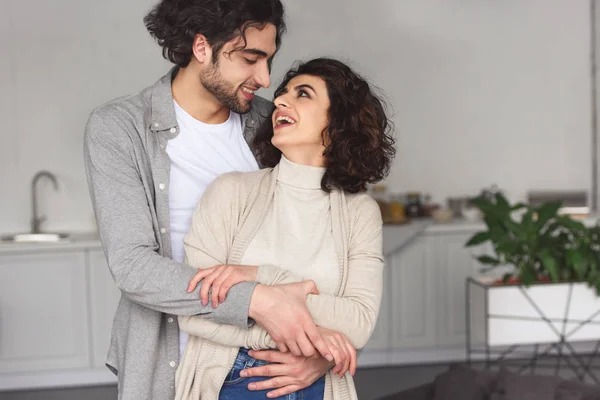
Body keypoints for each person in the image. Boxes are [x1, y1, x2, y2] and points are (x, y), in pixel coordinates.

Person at [83, 1, 338, 399]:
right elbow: (133, 266)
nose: (266, 78)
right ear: (201, 47)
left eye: (268, 60)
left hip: (269, 368)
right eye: (250, 59)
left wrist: (326, 346)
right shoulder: (120, 128)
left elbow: (325, 240)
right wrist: (259, 300)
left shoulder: (270, 126)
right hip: (169, 364)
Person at [175, 57, 396, 400]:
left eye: (303, 94)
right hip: (234, 377)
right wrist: (311, 341)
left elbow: (358, 322)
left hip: (319, 385)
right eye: (283, 93)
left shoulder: (360, 212)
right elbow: (193, 309)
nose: (279, 100)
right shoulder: (231, 191)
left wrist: (263, 279)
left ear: (337, 123)